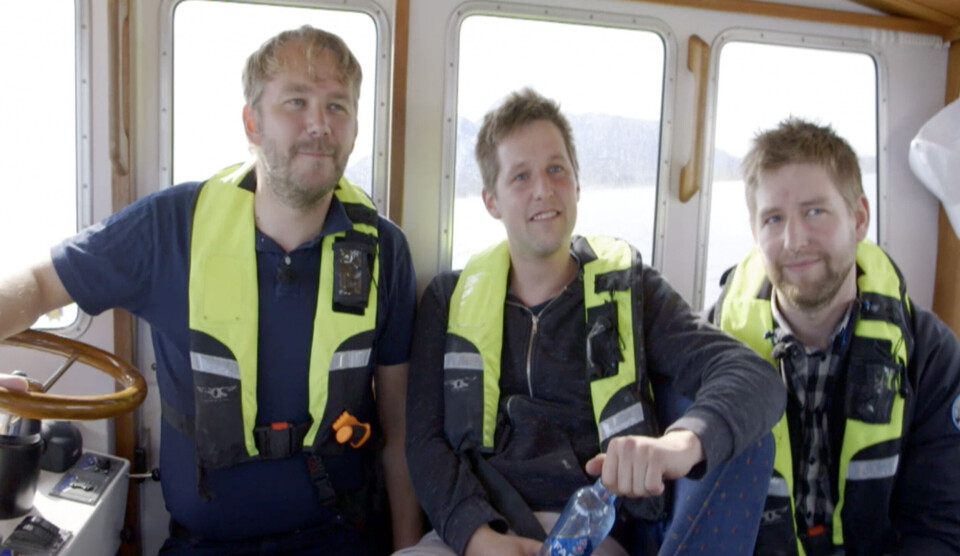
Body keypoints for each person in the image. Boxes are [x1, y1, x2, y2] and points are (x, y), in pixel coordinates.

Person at [0, 25, 421, 554]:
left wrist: (407, 548)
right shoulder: (169, 227)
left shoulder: (385, 250)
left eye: (338, 106)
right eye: (296, 101)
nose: (319, 124)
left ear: (355, 128)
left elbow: (399, 434)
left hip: (335, 539)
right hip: (204, 545)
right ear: (252, 122)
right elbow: (38, 283)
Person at [398, 88, 786, 556]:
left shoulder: (631, 290)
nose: (543, 189)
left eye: (556, 169)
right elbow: (424, 442)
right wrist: (479, 538)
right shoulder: (447, 298)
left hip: (590, 532)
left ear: (578, 183)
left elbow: (755, 378)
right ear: (491, 201)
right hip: (476, 529)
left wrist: (678, 445)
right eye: (520, 176)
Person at [709, 117, 960, 555]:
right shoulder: (710, 346)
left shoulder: (929, 353)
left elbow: (938, 525)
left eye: (814, 211)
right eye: (773, 218)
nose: (794, 240)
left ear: (859, 218)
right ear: (755, 233)